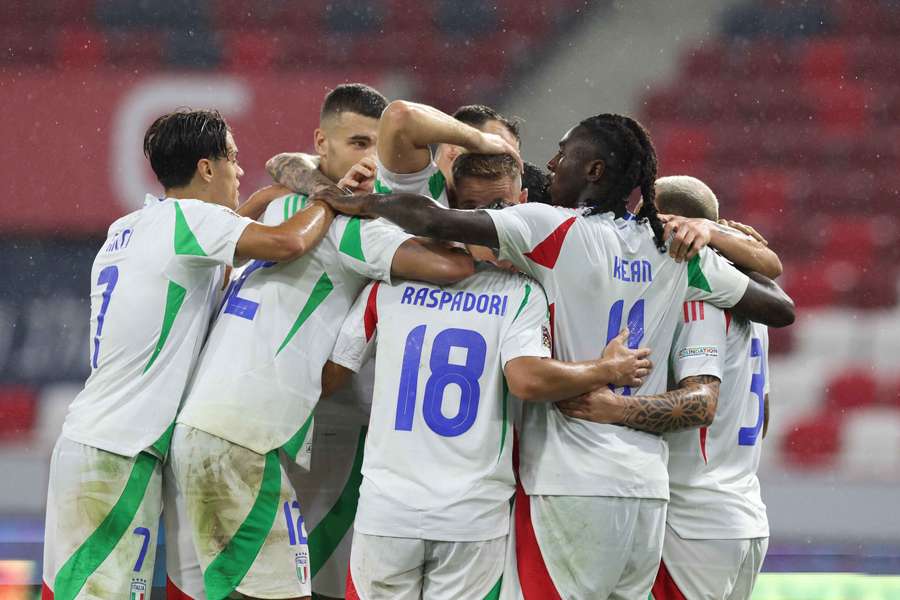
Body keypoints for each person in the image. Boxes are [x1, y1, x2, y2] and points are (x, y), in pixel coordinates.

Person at [312, 112, 794, 599]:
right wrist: (714, 236)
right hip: (646, 490)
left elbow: (435, 219)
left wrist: (354, 200)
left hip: (570, 480)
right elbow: (777, 307)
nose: (553, 162)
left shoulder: (553, 230)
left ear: (595, 171)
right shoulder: (671, 245)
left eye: (565, 154)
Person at [169, 134, 498, 598]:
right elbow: (453, 270)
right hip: (239, 438)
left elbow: (282, 162)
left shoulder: (285, 207)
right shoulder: (357, 231)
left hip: (217, 428)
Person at [42, 108, 342, 600]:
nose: (240, 173)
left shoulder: (131, 227)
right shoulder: (192, 220)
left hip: (99, 441)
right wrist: (330, 201)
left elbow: (220, 254)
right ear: (207, 168)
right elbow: (288, 242)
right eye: (234, 160)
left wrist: (271, 197)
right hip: (121, 447)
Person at [328, 154, 651, 599]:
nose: (486, 218)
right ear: (454, 209)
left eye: (496, 208)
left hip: (388, 511)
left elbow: (334, 371)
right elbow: (529, 379)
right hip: (473, 518)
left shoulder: (391, 281)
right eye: (477, 208)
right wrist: (606, 369)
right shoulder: (522, 293)